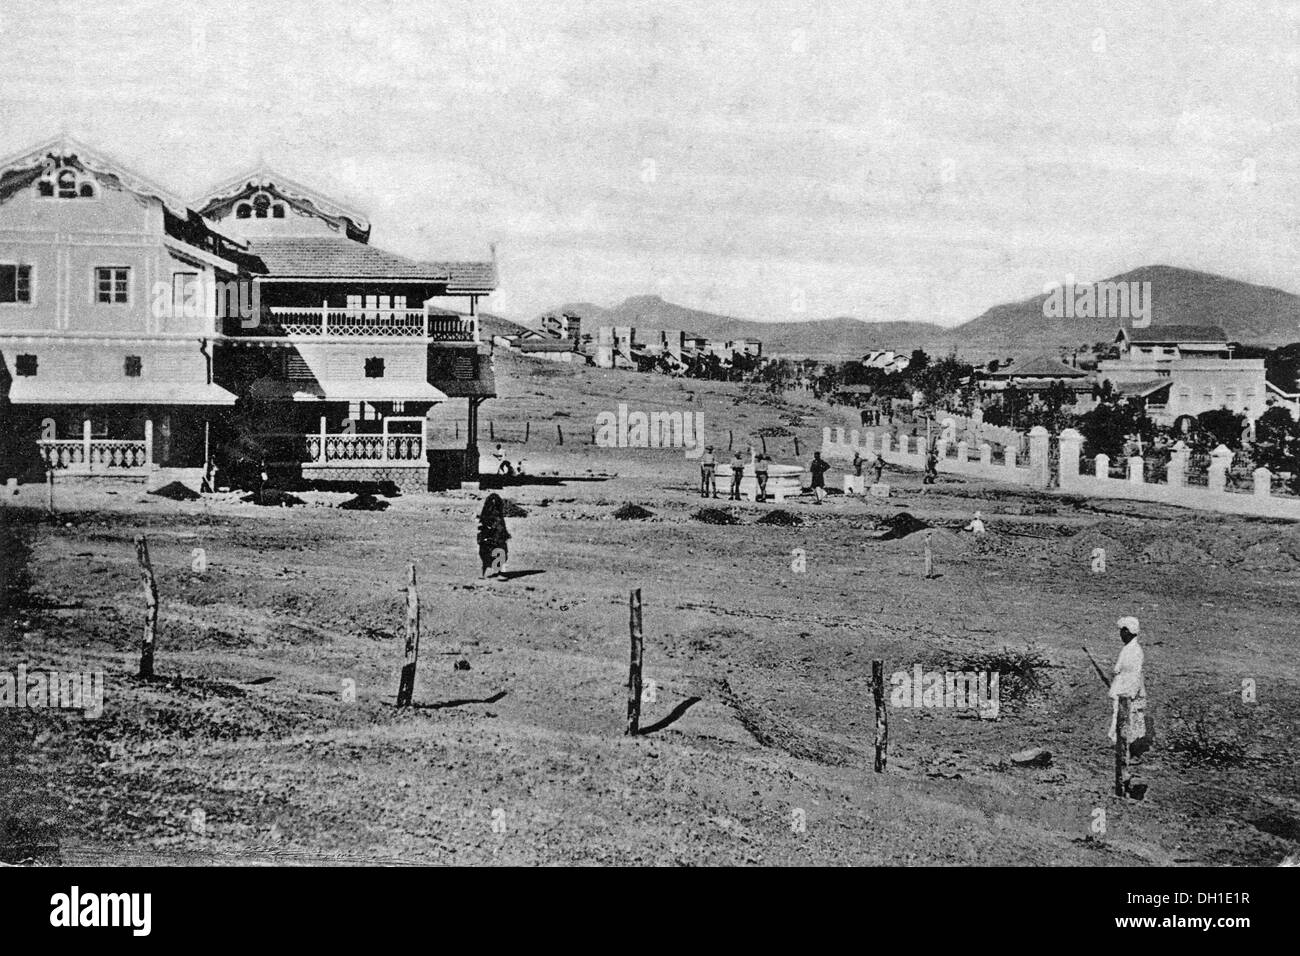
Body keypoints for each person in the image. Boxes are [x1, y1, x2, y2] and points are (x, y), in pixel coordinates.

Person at [1108, 616, 1148, 750]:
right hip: (1123, 688)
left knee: (1130, 718)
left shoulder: (1135, 651)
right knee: (1121, 717)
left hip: (1129, 690)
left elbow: (1135, 675)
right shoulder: (1127, 648)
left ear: (1128, 632)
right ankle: (1122, 746)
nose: (1120, 634)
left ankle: (1130, 750)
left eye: (1122, 631)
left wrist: (1129, 693)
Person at [477, 493, 511, 578]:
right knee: (490, 555)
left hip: (494, 538)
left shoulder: (489, 514)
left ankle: (493, 573)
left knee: (493, 555)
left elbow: (500, 527)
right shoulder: (491, 515)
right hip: (491, 538)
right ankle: (495, 573)